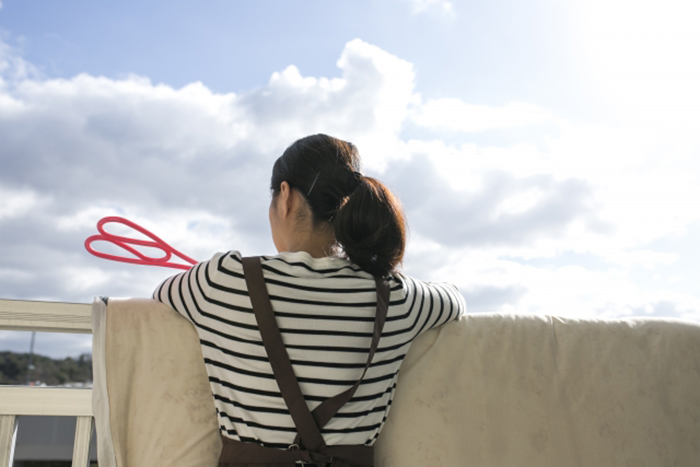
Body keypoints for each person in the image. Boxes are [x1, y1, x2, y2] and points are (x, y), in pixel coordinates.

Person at [153, 134, 466, 466]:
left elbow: (162, 294)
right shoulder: (394, 296)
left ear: (285, 196)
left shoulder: (221, 280)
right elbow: (454, 300)